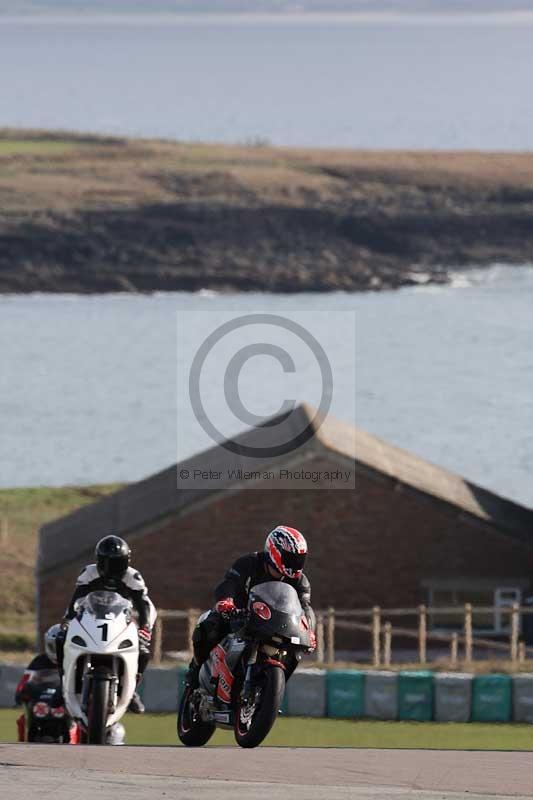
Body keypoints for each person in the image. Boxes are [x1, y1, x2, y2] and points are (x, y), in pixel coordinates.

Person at [186, 525, 316, 688]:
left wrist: (309, 630)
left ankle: (269, 691)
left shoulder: (300, 581)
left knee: (295, 652)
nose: (296, 563)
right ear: (275, 551)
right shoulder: (249, 563)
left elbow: (305, 607)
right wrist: (227, 601)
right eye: (291, 558)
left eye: (299, 558)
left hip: (277, 625)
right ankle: (195, 668)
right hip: (240, 615)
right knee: (209, 624)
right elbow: (229, 584)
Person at [57, 534, 157, 714]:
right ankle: (62, 681)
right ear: (99, 561)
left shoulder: (133, 576)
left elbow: (142, 605)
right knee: (60, 637)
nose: (113, 569)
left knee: (143, 651)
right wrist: (69, 618)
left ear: (126, 561)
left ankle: (132, 689)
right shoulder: (88, 572)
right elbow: (77, 597)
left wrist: (145, 627)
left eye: (118, 564)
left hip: (123, 618)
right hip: (91, 616)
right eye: (108, 563)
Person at [15, 624, 79, 743]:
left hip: (68, 702)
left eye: (61, 647)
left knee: (83, 720)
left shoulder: (76, 661)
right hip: (41, 702)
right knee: (22, 720)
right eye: (53, 646)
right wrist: (20, 692)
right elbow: (25, 679)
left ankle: (87, 743)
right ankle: (22, 745)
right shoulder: (39, 661)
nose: (57, 650)